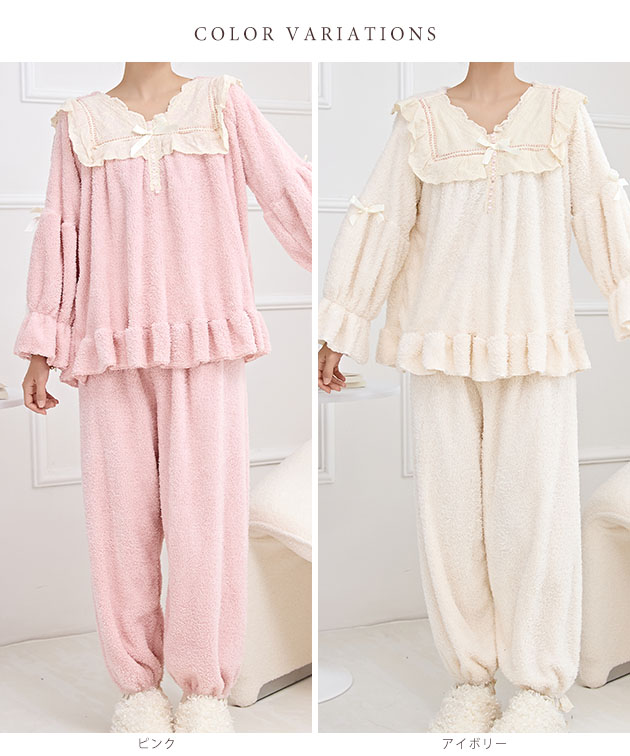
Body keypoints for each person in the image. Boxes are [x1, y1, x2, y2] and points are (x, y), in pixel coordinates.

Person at [318, 62, 630, 732]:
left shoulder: (562, 114)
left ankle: (539, 688)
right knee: (451, 520)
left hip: (534, 344)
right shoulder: (420, 122)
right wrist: (343, 324)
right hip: (440, 343)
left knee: (535, 519)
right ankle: (471, 678)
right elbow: (381, 220)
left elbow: (602, 210)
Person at [16, 62, 312, 733]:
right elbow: (61, 232)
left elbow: (286, 188)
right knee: (120, 530)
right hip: (110, 348)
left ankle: (204, 690)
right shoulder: (80, 122)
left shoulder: (221, 101)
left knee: (205, 524)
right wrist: (41, 346)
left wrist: (350, 290)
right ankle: (138, 691)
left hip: (205, 344)